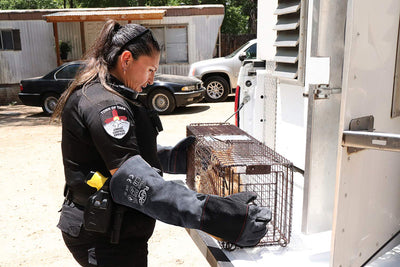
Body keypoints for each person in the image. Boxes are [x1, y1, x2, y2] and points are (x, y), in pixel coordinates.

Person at [52, 20, 270, 267]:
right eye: (150, 70)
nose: (152, 80)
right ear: (126, 60)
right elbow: (134, 182)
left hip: (111, 228)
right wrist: (225, 217)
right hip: (104, 239)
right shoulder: (106, 105)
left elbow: (117, 153)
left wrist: (178, 157)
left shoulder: (104, 93)